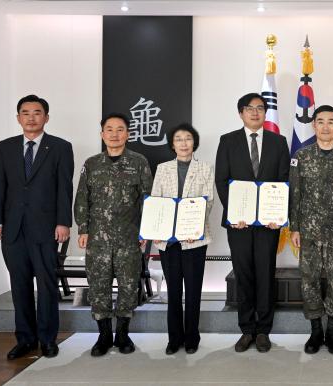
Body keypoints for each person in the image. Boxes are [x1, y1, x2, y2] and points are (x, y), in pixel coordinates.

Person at [0, 94, 74, 359]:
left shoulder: (60, 147)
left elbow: (64, 188)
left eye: (37, 112)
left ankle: (48, 339)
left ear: (46, 117)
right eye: (25, 113)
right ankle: (26, 339)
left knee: (48, 286)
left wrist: (63, 222)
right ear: (18, 118)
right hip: (13, 230)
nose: (31, 117)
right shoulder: (5, 147)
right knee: (20, 285)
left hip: (46, 228)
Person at [215, 93, 290, 353]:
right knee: (244, 274)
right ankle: (246, 329)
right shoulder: (228, 141)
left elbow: (283, 180)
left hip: (268, 224)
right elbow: (221, 180)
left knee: (265, 274)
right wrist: (235, 214)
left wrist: (277, 214)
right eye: (250, 109)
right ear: (241, 113)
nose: (255, 113)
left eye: (260, 108)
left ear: (265, 113)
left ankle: (263, 331)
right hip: (240, 224)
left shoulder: (279, 142)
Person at [74, 113, 153, 357]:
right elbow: (81, 198)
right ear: (102, 134)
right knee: (99, 286)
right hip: (97, 238)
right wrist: (83, 228)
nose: (114, 134)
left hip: (129, 237)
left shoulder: (139, 162)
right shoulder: (92, 163)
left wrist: (146, 230)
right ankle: (104, 335)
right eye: (109, 129)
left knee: (129, 286)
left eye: (120, 129)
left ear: (128, 134)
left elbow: (148, 199)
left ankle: (123, 334)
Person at [289, 105, 333, 355]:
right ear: (313, 125)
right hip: (308, 232)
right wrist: (294, 228)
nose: (326, 126)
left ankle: (332, 332)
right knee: (308, 281)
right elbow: (295, 195)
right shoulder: (302, 156)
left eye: (331, 122)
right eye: (320, 121)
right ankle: (315, 332)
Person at [150, 124, 214, 355]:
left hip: (194, 239)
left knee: (194, 289)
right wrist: (158, 226)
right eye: (179, 139)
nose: (184, 143)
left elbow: (209, 202)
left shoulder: (205, 168)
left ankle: (192, 337)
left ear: (194, 143)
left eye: (188, 138)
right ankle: (173, 338)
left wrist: (192, 224)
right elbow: (156, 201)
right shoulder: (162, 168)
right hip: (168, 240)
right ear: (172, 144)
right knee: (174, 289)